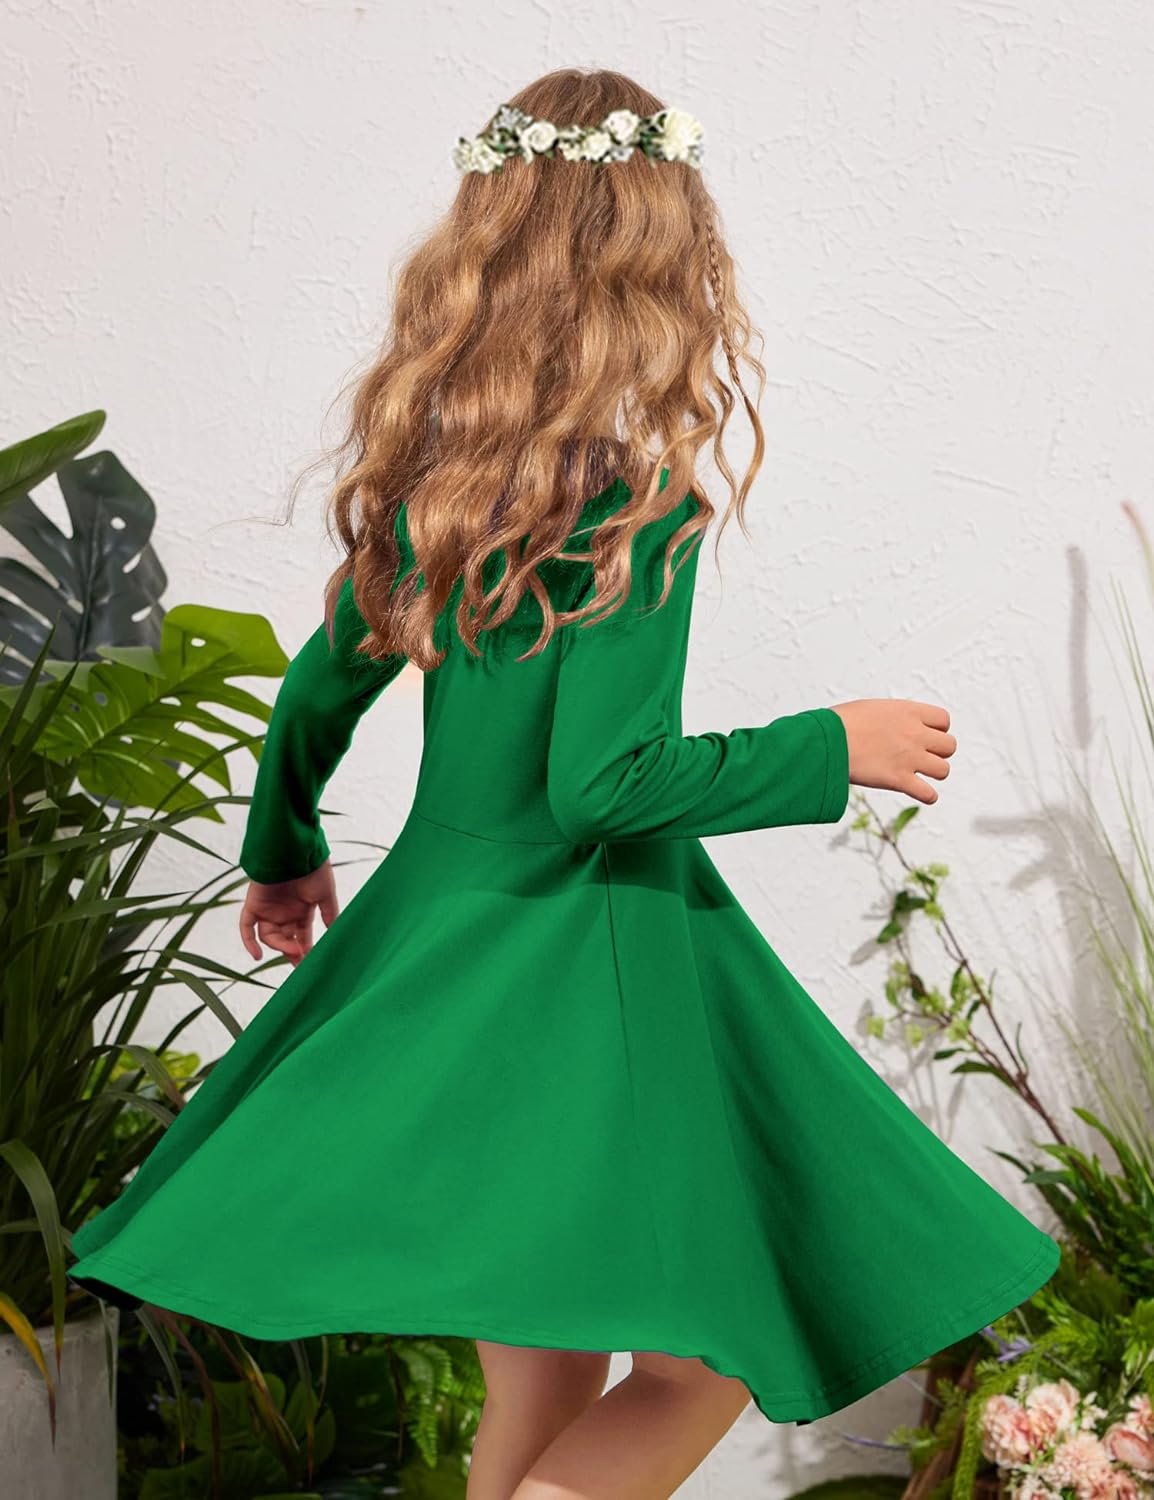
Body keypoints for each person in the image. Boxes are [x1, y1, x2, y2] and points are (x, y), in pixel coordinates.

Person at [69, 66, 1060, 1500]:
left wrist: (282, 854)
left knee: (540, 1369)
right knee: (701, 1364)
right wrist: (825, 745)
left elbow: (315, 693)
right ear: (660, 272)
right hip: (596, 966)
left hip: (446, 944)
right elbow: (605, 788)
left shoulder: (429, 496)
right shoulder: (636, 513)